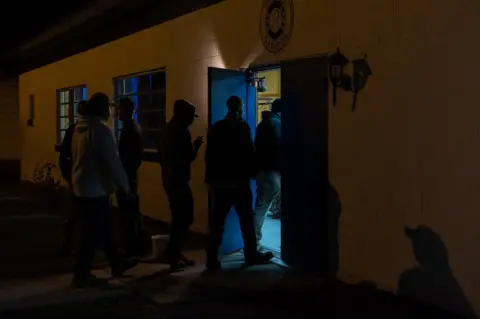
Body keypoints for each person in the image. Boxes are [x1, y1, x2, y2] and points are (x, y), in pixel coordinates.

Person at [71, 92, 138, 288]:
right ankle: (81, 274)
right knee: (92, 233)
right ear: (102, 109)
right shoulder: (101, 130)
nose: (111, 112)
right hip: (95, 188)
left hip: (82, 185)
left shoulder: (80, 128)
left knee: (105, 228)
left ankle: (117, 264)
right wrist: (125, 188)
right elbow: (113, 162)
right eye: (108, 108)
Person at [204, 95, 274, 271]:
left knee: (217, 223)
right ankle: (251, 255)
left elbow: (209, 156)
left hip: (221, 183)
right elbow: (249, 153)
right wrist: (253, 172)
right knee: (246, 222)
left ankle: (211, 259)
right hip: (239, 183)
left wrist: (211, 179)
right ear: (238, 108)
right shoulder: (242, 127)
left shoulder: (216, 127)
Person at [159, 99, 204, 270]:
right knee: (185, 217)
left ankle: (174, 252)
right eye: (191, 117)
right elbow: (189, 156)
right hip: (178, 181)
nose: (192, 120)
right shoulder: (182, 132)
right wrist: (196, 145)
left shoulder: (165, 128)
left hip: (168, 179)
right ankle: (172, 255)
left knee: (178, 217)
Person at [116, 97, 146, 258]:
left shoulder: (130, 131)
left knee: (128, 215)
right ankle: (134, 247)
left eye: (119, 109)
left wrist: (124, 180)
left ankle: (132, 248)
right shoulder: (133, 128)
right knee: (131, 214)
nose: (117, 113)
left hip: (127, 178)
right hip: (129, 177)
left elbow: (129, 158)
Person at [57, 100, 87, 257]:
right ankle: (71, 247)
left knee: (76, 215)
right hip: (81, 180)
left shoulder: (74, 131)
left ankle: (70, 246)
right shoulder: (77, 131)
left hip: (77, 179)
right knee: (79, 216)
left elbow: (63, 156)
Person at [253, 98, 282, 252]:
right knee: (262, 207)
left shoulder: (263, 124)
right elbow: (280, 149)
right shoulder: (277, 124)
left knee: (262, 206)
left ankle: (253, 242)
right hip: (272, 172)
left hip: (263, 171)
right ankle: (254, 244)